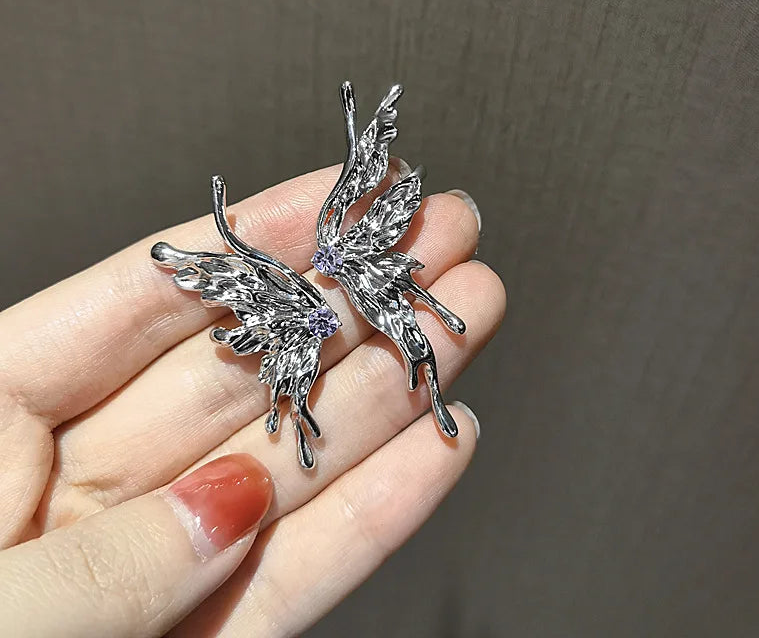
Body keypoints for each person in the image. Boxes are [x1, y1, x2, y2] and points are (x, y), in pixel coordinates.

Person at [0, 162, 505, 636]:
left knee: (397, 334)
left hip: (323, 312)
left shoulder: (331, 272)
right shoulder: (303, 289)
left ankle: (363, 390)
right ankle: (320, 401)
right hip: (298, 329)